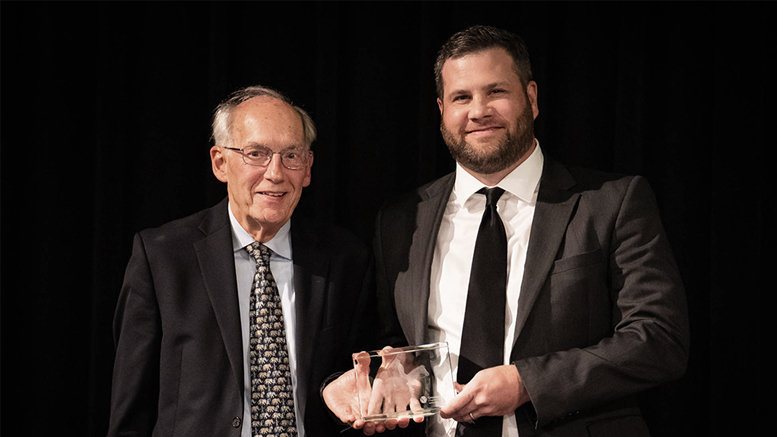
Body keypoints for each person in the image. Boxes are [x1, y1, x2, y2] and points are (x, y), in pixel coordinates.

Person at [324, 25, 689, 437]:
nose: (478, 111)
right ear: (442, 109)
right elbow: (398, 340)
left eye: (495, 92)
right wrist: (391, 376)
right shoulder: (402, 218)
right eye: (462, 97)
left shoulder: (611, 202)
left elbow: (658, 338)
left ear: (531, 99)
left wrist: (528, 383)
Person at [108, 85, 376, 437]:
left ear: (308, 168)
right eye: (256, 154)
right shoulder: (163, 257)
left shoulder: (346, 260)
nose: (276, 173)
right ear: (220, 162)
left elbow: (356, 387)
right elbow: (131, 411)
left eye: (292, 155)